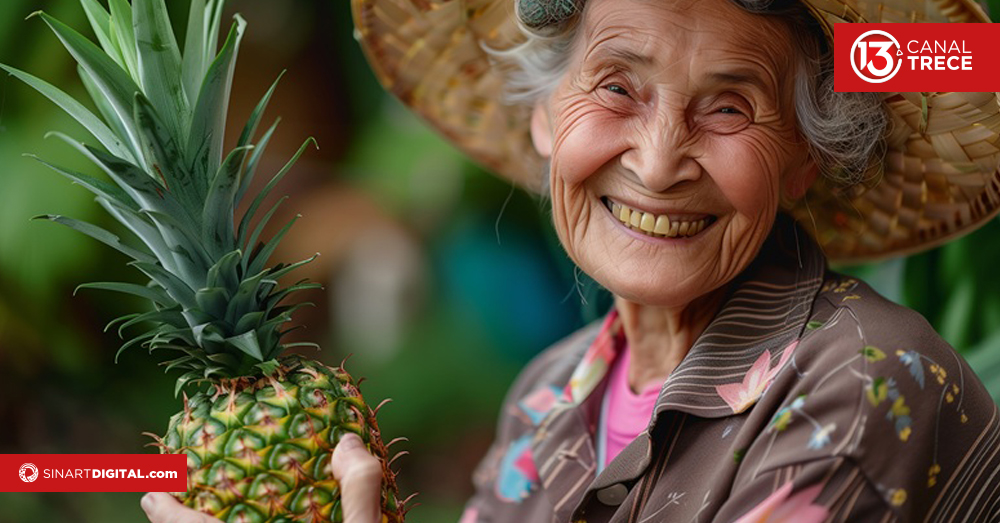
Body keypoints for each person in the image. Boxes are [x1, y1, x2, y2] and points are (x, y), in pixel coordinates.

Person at [147, 0, 1000, 521]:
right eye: (618, 87)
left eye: (730, 106)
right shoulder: (547, 395)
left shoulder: (862, 383)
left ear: (804, 156)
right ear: (545, 116)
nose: (659, 163)